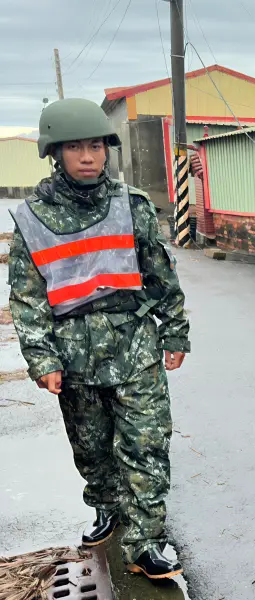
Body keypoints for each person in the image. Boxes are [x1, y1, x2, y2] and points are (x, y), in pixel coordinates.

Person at [8, 98, 190, 580]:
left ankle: (147, 540)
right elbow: (27, 300)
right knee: (91, 447)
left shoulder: (132, 207)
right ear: (55, 153)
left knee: (146, 444)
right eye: (75, 148)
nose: (88, 156)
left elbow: (161, 277)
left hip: (134, 348)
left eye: (95, 146)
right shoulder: (30, 220)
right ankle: (107, 507)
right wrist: (42, 359)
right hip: (73, 357)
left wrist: (175, 331)